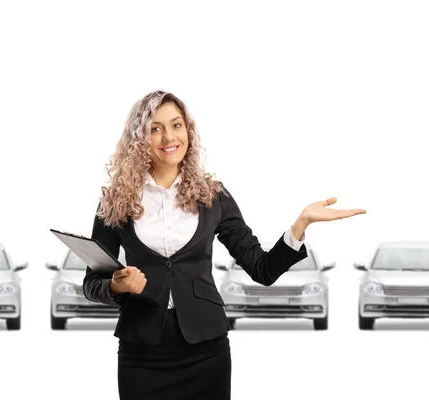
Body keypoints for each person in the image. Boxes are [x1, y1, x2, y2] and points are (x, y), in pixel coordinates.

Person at [82, 90, 366, 400]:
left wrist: (301, 225)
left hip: (206, 349)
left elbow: (262, 269)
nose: (168, 137)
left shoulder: (212, 195)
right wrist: (116, 285)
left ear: (187, 131)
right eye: (155, 128)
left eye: (176, 125)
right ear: (140, 137)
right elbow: (91, 284)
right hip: (142, 352)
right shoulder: (115, 201)